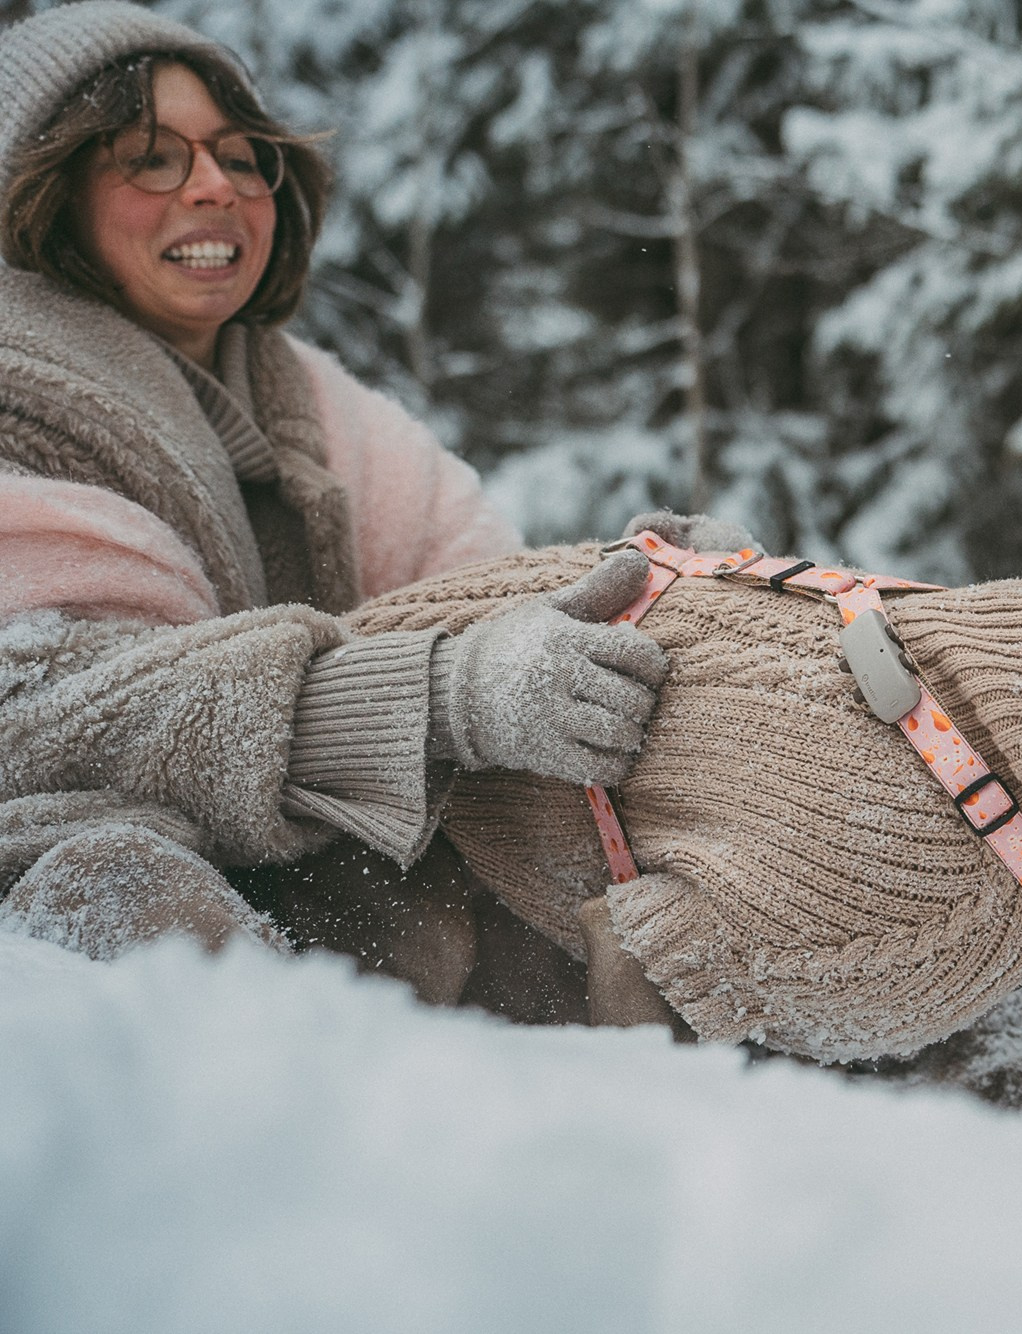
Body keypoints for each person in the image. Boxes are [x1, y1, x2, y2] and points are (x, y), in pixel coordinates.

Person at [0, 1, 676, 1003]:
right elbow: (46, 715)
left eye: (242, 155)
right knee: (118, 886)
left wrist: (669, 596)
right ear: (45, 190)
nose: (213, 186)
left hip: (305, 881)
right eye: (150, 156)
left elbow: (485, 595)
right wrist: (441, 693)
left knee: (581, 896)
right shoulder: (18, 400)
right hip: (68, 889)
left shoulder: (324, 417)